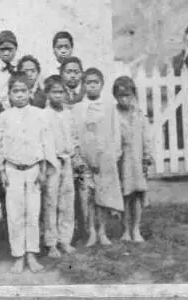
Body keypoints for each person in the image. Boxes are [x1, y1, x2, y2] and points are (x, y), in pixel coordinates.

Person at [0, 72, 55, 273]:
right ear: (10, 94)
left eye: (24, 91)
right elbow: (0, 146)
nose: (20, 95)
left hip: (33, 169)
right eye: (15, 91)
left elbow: (45, 143)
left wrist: (44, 169)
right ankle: (18, 255)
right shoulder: (4, 117)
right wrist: (2, 171)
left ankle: (31, 253)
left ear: (30, 93)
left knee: (33, 212)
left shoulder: (39, 115)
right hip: (13, 170)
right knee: (15, 214)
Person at [72, 68, 123, 247]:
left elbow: (115, 131)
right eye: (88, 83)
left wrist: (113, 155)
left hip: (105, 158)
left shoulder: (109, 106)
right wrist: (79, 158)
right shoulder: (78, 108)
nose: (92, 86)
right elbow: (75, 134)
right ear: (83, 85)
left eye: (96, 82)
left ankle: (102, 231)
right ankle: (91, 231)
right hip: (86, 161)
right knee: (88, 198)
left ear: (101, 84)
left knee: (103, 197)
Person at [41, 75, 80, 257]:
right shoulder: (43, 115)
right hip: (52, 162)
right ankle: (51, 242)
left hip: (67, 160)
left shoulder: (68, 113)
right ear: (47, 93)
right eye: (55, 92)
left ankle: (65, 239)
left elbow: (74, 136)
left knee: (67, 201)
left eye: (61, 92)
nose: (59, 95)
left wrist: (73, 156)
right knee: (51, 202)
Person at [113, 76, 153, 243]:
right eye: (120, 96)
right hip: (121, 161)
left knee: (137, 195)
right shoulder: (113, 115)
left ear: (133, 95)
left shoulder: (139, 115)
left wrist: (147, 156)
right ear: (115, 96)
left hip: (136, 160)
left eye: (127, 95)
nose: (124, 99)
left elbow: (146, 137)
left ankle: (136, 228)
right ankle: (125, 230)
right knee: (124, 195)